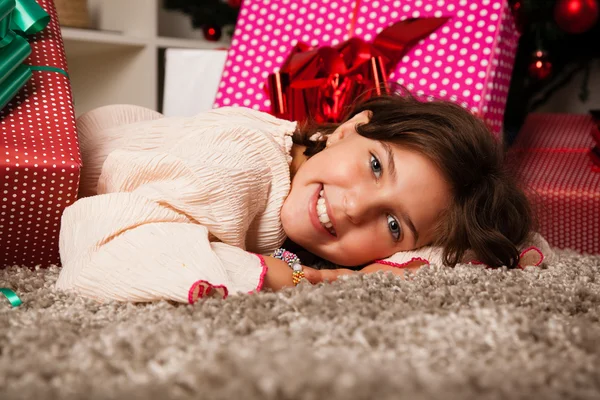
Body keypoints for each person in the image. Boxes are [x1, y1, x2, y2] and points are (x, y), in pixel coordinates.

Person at [55, 91, 551, 304]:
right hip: (50, 157)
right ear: (348, 130)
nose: (354, 208)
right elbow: (102, 246)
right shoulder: (234, 169)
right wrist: (292, 275)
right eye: (375, 166)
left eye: (393, 225)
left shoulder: (308, 172)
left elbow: (442, 246)